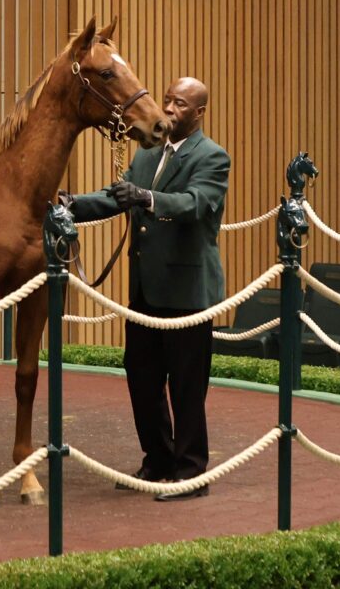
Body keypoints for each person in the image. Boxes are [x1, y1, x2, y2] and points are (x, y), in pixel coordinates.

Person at [60, 77, 229, 500]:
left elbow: (195, 203)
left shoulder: (212, 156)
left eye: (181, 104)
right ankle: (157, 461)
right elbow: (118, 197)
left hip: (188, 290)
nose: (170, 109)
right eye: (168, 100)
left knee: (187, 385)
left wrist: (147, 198)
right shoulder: (148, 151)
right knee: (142, 378)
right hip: (146, 291)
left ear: (199, 114)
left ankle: (191, 472)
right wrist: (71, 205)